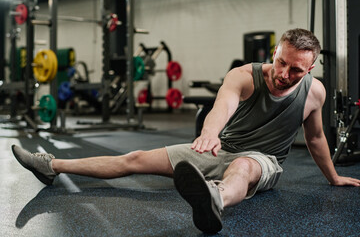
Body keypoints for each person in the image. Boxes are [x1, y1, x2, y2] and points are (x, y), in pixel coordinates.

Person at [12, 28, 360, 234]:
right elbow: (221, 107)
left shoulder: (314, 92)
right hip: (219, 145)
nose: (285, 73)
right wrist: (209, 134)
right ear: (275, 52)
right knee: (134, 158)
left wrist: (333, 177)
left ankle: (214, 201)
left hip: (262, 159)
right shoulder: (244, 75)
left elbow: (315, 138)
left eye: (296, 69)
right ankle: (51, 165)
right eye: (281, 62)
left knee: (243, 168)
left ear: (311, 67)